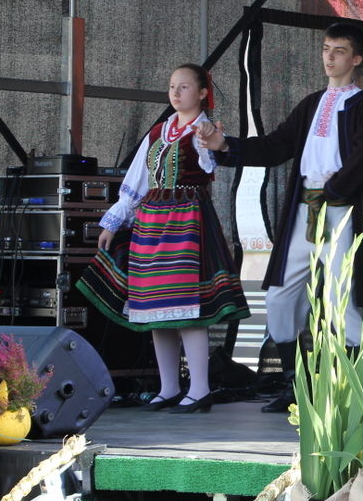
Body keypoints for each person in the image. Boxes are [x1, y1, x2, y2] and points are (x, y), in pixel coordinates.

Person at [198, 22, 363, 412]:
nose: (329, 57)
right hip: (303, 210)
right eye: (326, 49)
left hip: (341, 212)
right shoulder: (311, 103)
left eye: (338, 51)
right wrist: (224, 144)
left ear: (356, 59)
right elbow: (275, 146)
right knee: (280, 294)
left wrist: (335, 189)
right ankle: (294, 384)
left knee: (341, 297)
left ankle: (358, 387)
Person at [79, 64, 250, 413]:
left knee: (187, 306)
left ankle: (200, 389)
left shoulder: (204, 130)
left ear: (202, 93)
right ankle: (169, 387)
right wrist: (113, 221)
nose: (176, 93)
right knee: (156, 307)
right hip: (152, 222)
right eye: (172, 86)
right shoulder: (159, 131)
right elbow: (137, 181)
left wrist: (209, 141)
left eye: (184, 87)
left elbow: (209, 165)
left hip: (187, 220)